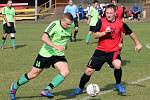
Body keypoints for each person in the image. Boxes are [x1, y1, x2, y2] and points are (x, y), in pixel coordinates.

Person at [70, 4, 142, 96]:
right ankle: (80, 88)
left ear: (115, 13)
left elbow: (130, 33)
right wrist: (104, 32)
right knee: (88, 71)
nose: (108, 15)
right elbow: (95, 35)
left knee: (118, 64)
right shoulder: (101, 21)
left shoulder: (120, 23)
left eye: (110, 13)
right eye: (107, 13)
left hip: (113, 51)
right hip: (100, 51)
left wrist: (138, 43)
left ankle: (118, 84)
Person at [9, 13, 74, 100]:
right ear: (62, 20)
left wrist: (64, 45)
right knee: (32, 75)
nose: (69, 26)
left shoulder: (71, 26)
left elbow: (64, 38)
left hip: (58, 55)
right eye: (67, 24)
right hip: (46, 54)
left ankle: (47, 90)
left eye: (70, 24)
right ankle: (14, 87)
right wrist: (56, 46)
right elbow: (44, 37)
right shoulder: (54, 24)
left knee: (65, 71)